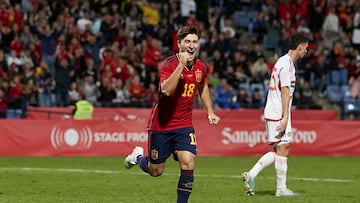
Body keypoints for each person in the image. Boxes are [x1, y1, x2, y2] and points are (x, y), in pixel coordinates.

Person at [124, 25, 220, 203]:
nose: (191, 45)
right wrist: (181, 65)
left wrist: (210, 111)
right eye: (187, 41)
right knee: (156, 171)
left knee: (188, 162)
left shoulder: (200, 67)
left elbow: (202, 86)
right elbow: (166, 90)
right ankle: (137, 157)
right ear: (179, 44)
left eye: (195, 42)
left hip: (184, 125)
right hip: (161, 125)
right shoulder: (168, 65)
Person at [241, 33, 308, 197]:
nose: (306, 52)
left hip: (275, 110)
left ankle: (254, 176)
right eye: (305, 48)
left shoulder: (284, 62)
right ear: (299, 47)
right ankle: (280, 189)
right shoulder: (286, 65)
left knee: (280, 149)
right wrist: (285, 117)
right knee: (283, 148)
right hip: (278, 112)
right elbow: (285, 92)